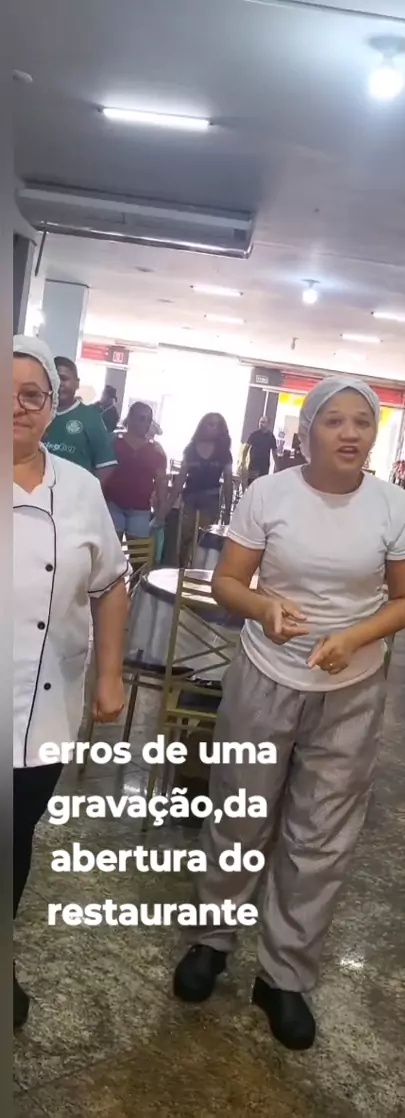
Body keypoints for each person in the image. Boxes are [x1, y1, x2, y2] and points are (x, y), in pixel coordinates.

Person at [173, 376, 405, 1051]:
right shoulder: (270, 494)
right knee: (239, 811)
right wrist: (265, 608)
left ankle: (284, 976)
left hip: (351, 687)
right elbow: (229, 581)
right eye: (334, 421)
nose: (350, 433)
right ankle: (211, 941)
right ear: (308, 430)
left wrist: (356, 637)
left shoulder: (393, 506)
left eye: (362, 422)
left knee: (322, 833)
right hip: (266, 675)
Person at [13, 335, 128, 1030]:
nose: (18, 406)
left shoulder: (80, 488)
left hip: (45, 705)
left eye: (33, 395)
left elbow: (111, 584)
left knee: (14, 837)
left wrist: (111, 674)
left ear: (54, 407)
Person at [168, 413, 233, 566]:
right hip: (190, 497)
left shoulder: (224, 452)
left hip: (211, 500)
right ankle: (181, 567)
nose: (214, 428)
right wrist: (170, 503)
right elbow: (181, 478)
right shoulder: (191, 449)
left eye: (217, 425)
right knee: (184, 537)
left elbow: (228, 482)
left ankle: (194, 569)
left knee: (202, 538)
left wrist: (227, 510)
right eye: (210, 424)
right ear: (203, 426)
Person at [42, 357, 116, 486]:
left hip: (73, 495)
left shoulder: (91, 418)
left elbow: (106, 465)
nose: (58, 384)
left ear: (77, 383)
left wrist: (88, 492)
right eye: (53, 379)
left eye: (64, 378)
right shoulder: (38, 413)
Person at [104, 401, 168, 540]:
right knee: (111, 548)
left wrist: (161, 511)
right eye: (141, 418)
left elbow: (161, 482)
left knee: (138, 551)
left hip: (140, 508)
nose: (145, 423)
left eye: (148, 420)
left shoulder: (156, 449)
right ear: (131, 418)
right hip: (113, 504)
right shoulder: (113, 441)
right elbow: (102, 472)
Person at [242, 416, 278, 484]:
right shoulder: (254, 435)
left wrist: (277, 465)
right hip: (253, 465)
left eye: (263, 422)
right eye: (260, 422)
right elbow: (246, 448)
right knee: (251, 484)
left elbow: (274, 453)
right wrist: (243, 461)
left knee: (261, 484)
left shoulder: (271, 437)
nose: (261, 424)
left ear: (268, 424)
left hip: (264, 466)